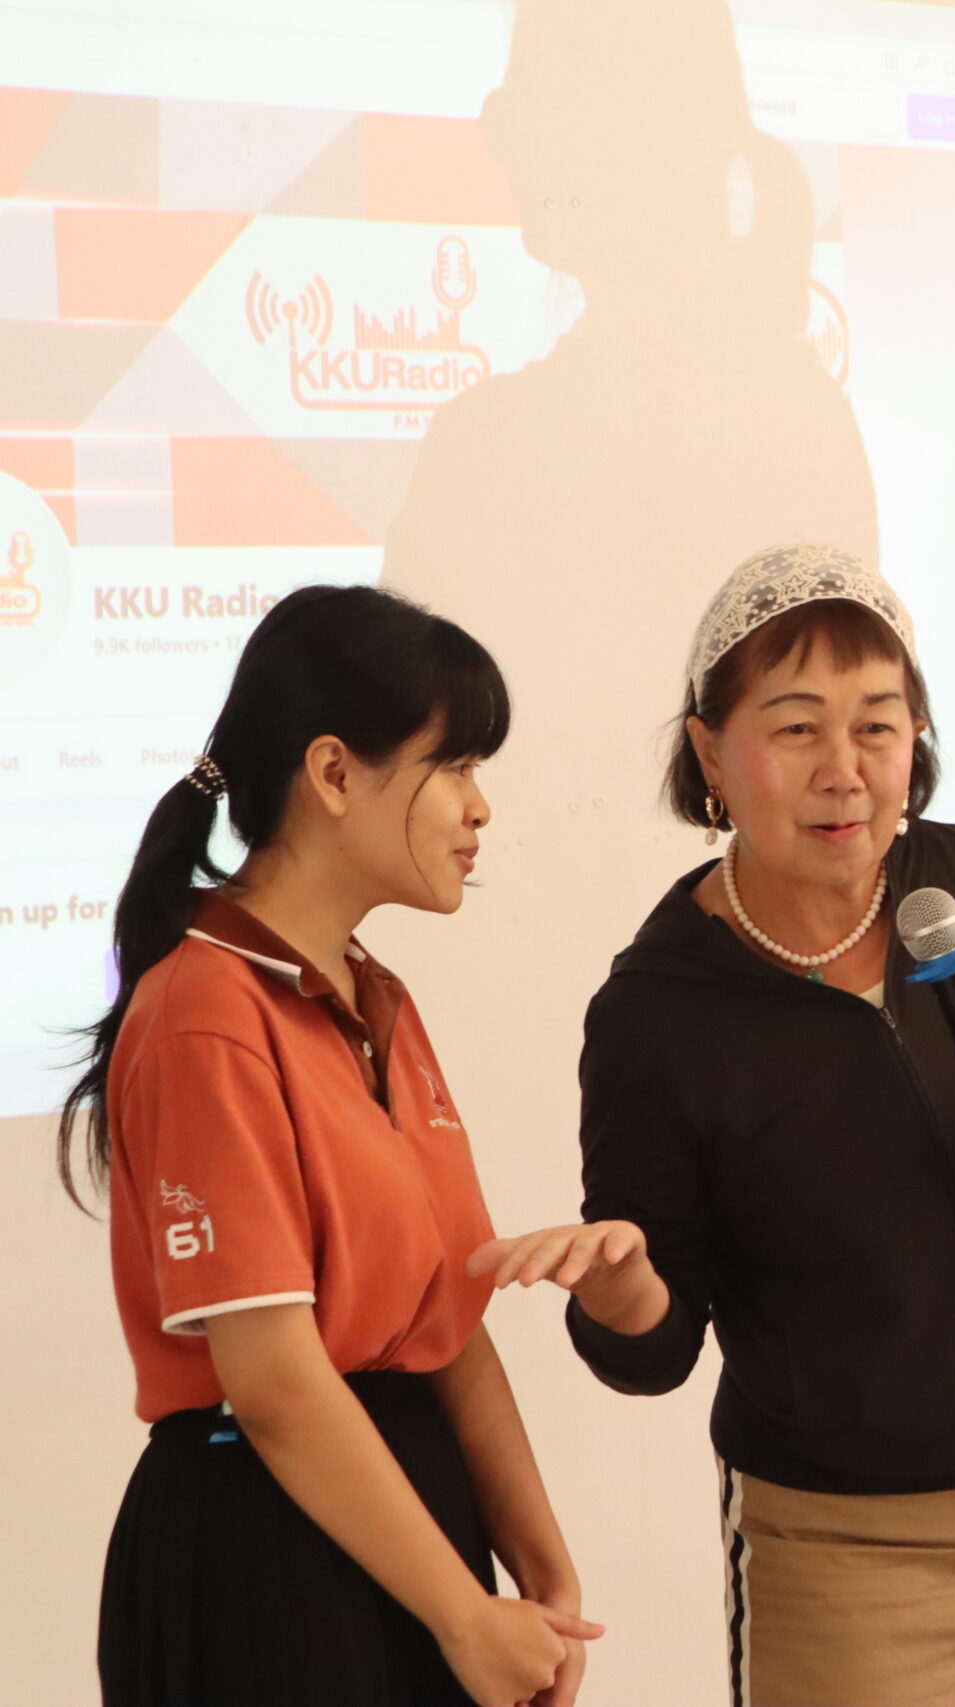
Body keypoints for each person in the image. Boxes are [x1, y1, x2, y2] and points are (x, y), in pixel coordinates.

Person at [472, 543, 955, 1707]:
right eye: (796, 728)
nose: (844, 772)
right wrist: (622, 1289)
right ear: (710, 752)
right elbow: (654, 1348)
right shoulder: (658, 1009)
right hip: (846, 1559)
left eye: (877, 726)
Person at [60, 585, 598, 1707]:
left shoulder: (375, 997)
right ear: (335, 774)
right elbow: (276, 1386)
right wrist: (463, 1612)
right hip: (266, 1552)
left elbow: (449, 1326)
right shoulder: (205, 1009)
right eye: (454, 764)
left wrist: (542, 1572)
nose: (480, 807)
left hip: (411, 1532)